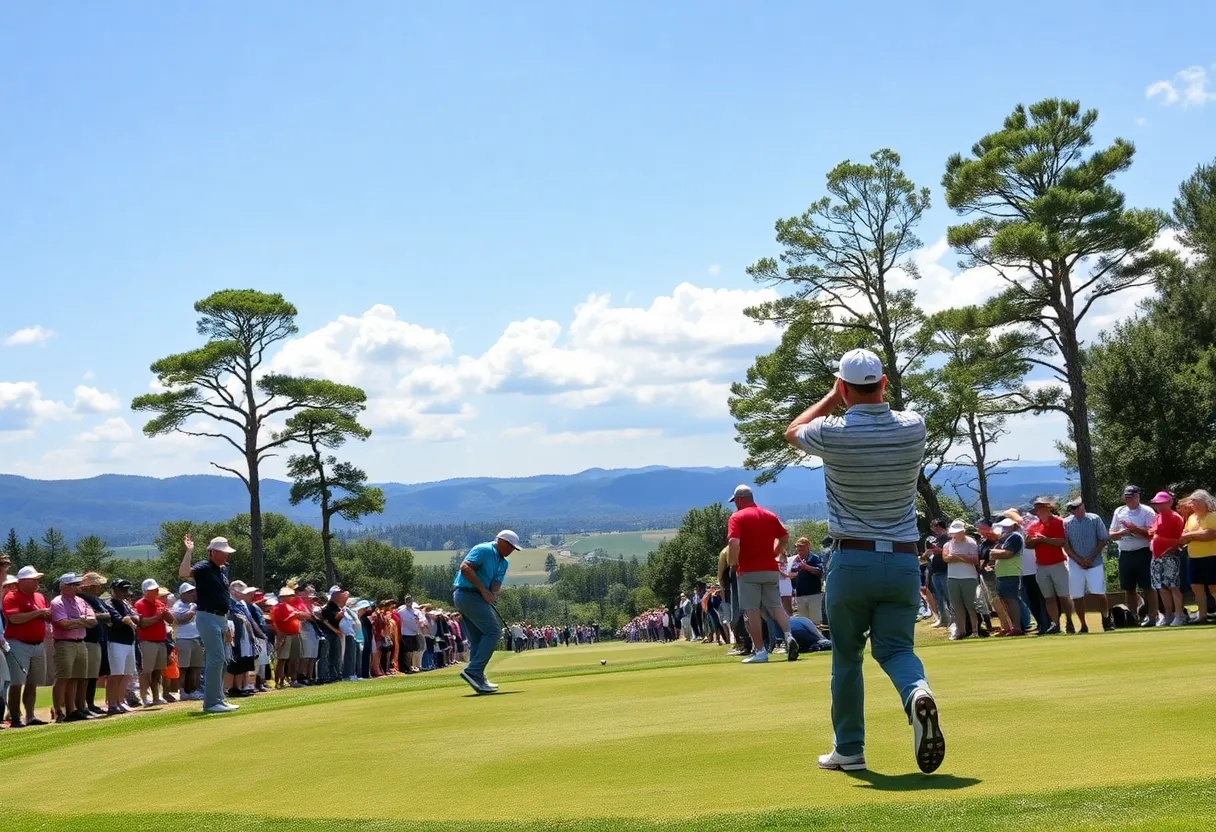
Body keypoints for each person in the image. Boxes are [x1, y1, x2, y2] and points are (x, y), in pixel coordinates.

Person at [785, 347, 943, 774]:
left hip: (852, 562)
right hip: (904, 562)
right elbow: (893, 412)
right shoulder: (914, 427)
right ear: (884, 383)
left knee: (848, 658)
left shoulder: (832, 432)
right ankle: (917, 693)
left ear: (843, 386)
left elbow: (792, 430)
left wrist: (832, 398)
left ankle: (850, 748)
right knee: (896, 649)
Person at [726, 484, 795, 664]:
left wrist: (733, 562)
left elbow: (734, 542)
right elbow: (784, 537)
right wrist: (774, 552)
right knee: (776, 607)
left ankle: (760, 651)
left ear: (739, 499)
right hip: (770, 569)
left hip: (748, 571)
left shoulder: (737, 517)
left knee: (752, 611)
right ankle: (788, 637)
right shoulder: (769, 515)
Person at [452, 530, 519, 694]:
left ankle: (477, 677)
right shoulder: (484, 550)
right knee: (493, 632)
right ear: (502, 541)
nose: (512, 550)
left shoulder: (503, 563)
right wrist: (483, 590)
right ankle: (473, 671)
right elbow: (465, 567)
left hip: (477, 598)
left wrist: (492, 593)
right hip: (466, 594)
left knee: (478, 638)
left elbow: (496, 584)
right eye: (510, 546)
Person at [178, 534, 239, 713]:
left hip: (220, 618)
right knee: (216, 658)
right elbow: (183, 573)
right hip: (207, 617)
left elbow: (221, 596)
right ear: (213, 552)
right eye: (223, 552)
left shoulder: (222, 570)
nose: (227, 555)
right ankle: (211, 703)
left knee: (222, 660)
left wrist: (226, 622)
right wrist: (189, 552)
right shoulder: (204, 567)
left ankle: (218, 699)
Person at [4, 565, 52, 727]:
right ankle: (15, 717)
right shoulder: (12, 597)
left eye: (37, 580)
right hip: (18, 643)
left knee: (33, 682)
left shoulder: (39, 596)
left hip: (38, 644)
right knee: (17, 682)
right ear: (22, 581)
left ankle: (30, 716)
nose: (36, 583)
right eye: (33, 580)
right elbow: (14, 619)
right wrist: (38, 613)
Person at [49, 572, 97, 722]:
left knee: (76, 677)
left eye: (77, 585)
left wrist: (75, 621)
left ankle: (72, 710)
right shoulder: (57, 602)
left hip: (80, 642)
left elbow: (93, 621)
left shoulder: (81, 601)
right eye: (73, 585)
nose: (77, 588)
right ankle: (58, 711)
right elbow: (62, 623)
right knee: (63, 677)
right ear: (63, 586)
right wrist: (81, 621)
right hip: (64, 643)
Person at [1108, 485, 1158, 627]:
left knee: (1148, 587)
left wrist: (1134, 529)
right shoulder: (1119, 511)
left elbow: (1152, 534)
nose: (1129, 499)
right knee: (1129, 588)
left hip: (1143, 552)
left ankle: (1153, 617)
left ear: (1138, 496)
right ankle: (1133, 617)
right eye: (1127, 497)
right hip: (1125, 553)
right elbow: (1111, 535)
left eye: (1132, 496)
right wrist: (1124, 532)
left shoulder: (1147, 512)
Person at [1025, 497, 1074, 635]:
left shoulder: (1058, 522)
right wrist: (1037, 540)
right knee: (1049, 597)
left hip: (1058, 563)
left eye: (1040, 509)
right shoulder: (1034, 525)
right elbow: (1027, 544)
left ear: (1047, 508)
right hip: (1041, 565)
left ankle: (1069, 621)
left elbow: (1061, 542)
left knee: (1064, 596)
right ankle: (1055, 624)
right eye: (1037, 510)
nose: (1038, 512)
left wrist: (1043, 539)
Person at [1062, 498, 1112, 632]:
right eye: (1075, 508)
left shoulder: (1094, 519)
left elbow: (1103, 539)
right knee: (1077, 595)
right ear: (1071, 510)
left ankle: (1106, 619)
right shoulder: (1066, 523)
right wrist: (1079, 560)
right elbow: (1066, 545)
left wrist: (1090, 558)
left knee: (1099, 592)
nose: (1079, 509)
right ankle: (1083, 625)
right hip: (1075, 564)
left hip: (1094, 562)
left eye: (1080, 506)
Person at [1147, 491, 1187, 627]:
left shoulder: (1176, 517)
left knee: (1173, 586)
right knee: (1162, 588)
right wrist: (1154, 541)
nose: (1158, 506)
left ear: (1169, 502)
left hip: (1170, 557)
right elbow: (1153, 532)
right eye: (1156, 504)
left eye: (1160, 503)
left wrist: (1167, 547)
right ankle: (1168, 615)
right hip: (1156, 557)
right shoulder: (1157, 517)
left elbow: (1180, 539)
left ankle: (1179, 615)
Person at [77, 571, 112, 716]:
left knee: (93, 675)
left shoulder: (97, 599)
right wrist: (103, 616)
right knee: (85, 675)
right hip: (87, 639)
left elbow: (107, 615)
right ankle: (81, 705)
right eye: (98, 585)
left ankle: (90, 704)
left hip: (97, 640)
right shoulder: (82, 599)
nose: (100, 588)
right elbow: (93, 617)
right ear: (89, 586)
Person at [1180, 489, 1216, 624]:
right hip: (1194, 557)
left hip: (1211, 556)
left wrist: (1191, 535)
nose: (1192, 505)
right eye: (1192, 502)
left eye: (1195, 502)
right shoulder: (1191, 518)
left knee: (1214, 587)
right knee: (1196, 587)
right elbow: (1183, 537)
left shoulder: (1213, 516)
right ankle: (1202, 616)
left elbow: (1210, 534)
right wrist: (1194, 535)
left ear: (1204, 502)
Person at [104, 579, 139, 715]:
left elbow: (135, 616)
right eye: (121, 589)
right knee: (115, 675)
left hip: (129, 642)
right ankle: (112, 704)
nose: (124, 592)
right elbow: (120, 619)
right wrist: (131, 620)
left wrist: (131, 618)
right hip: (116, 642)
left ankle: (120, 701)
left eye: (125, 589)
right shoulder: (110, 603)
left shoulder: (125, 603)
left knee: (127, 674)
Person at [943, 521, 983, 640]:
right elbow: (946, 558)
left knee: (971, 606)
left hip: (969, 577)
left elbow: (975, 560)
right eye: (952, 533)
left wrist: (958, 556)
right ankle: (960, 631)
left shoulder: (971, 542)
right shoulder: (947, 544)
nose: (954, 536)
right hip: (953, 577)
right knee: (957, 606)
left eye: (957, 533)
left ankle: (975, 630)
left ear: (962, 532)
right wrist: (953, 557)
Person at [987, 518, 1026, 636]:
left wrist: (994, 552)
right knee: (1005, 600)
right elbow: (997, 554)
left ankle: (1017, 628)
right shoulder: (1007, 538)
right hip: (1003, 573)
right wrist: (996, 552)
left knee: (1011, 600)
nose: (1003, 529)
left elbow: (1007, 554)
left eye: (1006, 526)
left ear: (1014, 526)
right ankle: (1012, 627)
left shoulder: (1015, 536)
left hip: (1011, 572)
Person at [172, 582, 204, 700]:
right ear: (183, 594)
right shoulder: (178, 606)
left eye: (193, 592)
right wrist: (192, 609)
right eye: (189, 592)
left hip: (196, 638)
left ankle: (193, 691)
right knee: (183, 668)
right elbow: (182, 619)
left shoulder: (194, 604)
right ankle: (183, 692)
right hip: (183, 639)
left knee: (195, 667)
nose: (193, 594)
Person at [790, 538, 825, 625]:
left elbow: (820, 572)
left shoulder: (815, 558)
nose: (800, 552)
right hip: (800, 595)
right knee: (804, 622)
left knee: (816, 621)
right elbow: (792, 572)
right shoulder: (795, 560)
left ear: (808, 547)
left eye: (802, 549)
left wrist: (806, 567)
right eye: (798, 550)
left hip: (814, 594)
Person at [925, 519, 951, 629]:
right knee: (938, 597)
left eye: (935, 526)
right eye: (932, 526)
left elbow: (949, 552)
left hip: (945, 570)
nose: (933, 528)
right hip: (935, 571)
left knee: (948, 596)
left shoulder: (948, 538)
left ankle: (953, 619)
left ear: (941, 526)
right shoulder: (935, 539)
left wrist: (937, 550)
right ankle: (943, 619)